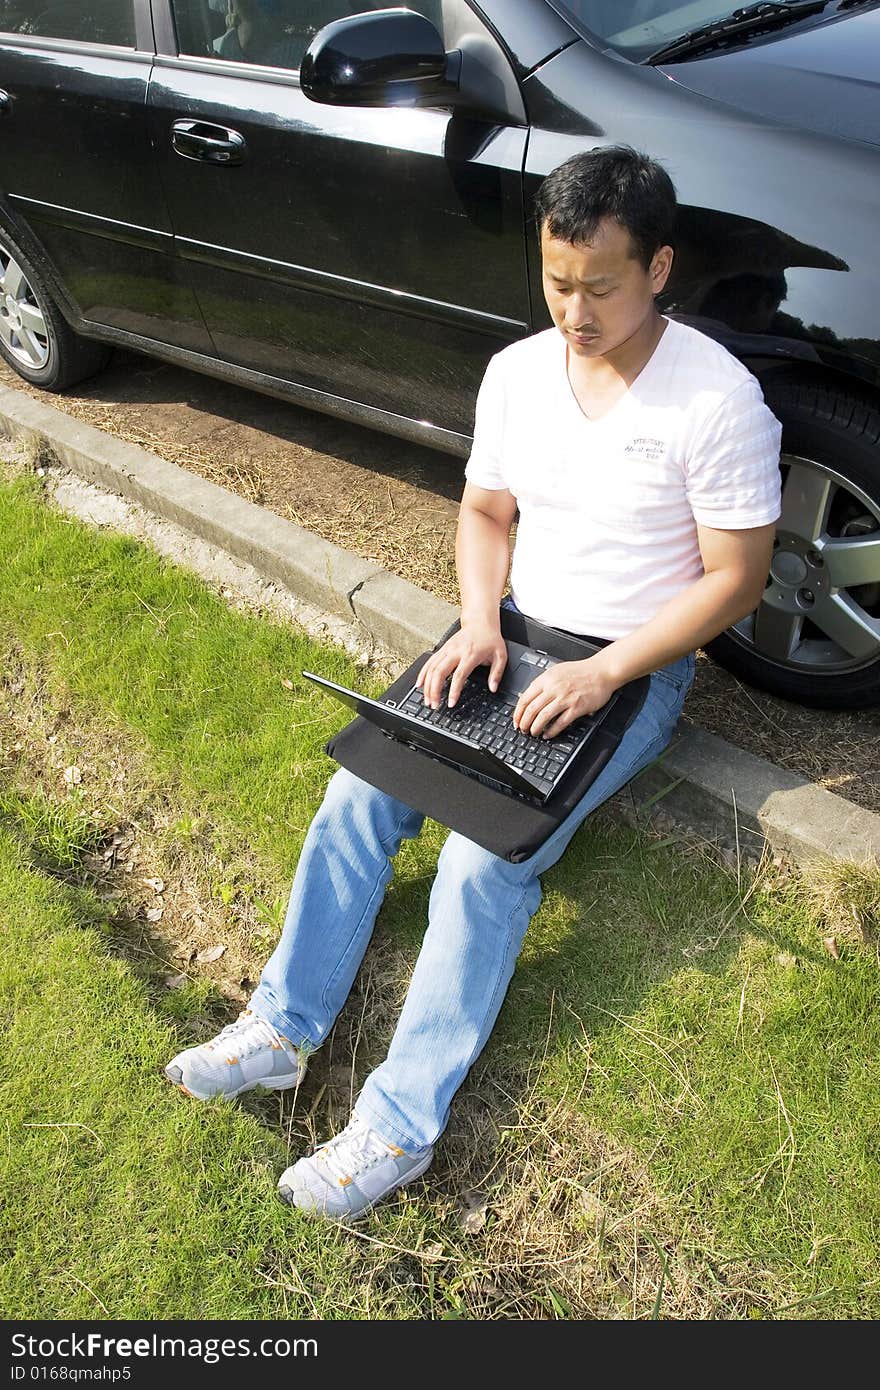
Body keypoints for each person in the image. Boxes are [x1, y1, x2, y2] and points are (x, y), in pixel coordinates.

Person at [164, 146, 782, 1222]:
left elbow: (736, 579)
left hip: (627, 667)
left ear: (659, 268)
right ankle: (280, 1029)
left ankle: (396, 1128)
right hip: (513, 633)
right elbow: (486, 514)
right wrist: (481, 624)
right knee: (358, 795)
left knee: (478, 864)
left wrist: (603, 672)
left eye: (601, 286)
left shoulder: (718, 398)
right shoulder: (516, 372)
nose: (574, 312)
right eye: (555, 283)